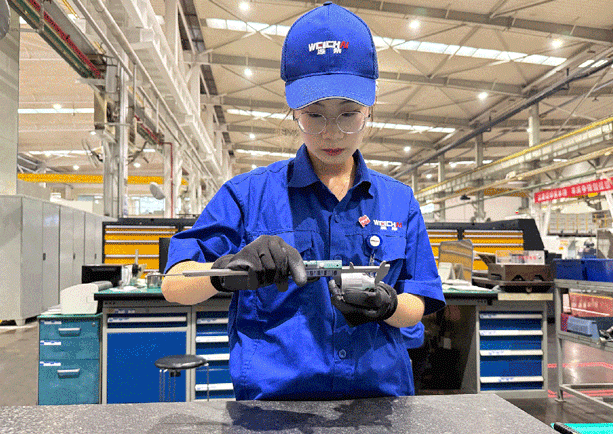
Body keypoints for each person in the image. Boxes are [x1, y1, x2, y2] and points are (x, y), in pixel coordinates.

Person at [162, 2, 445, 401]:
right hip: (275, 409)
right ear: (293, 111)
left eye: (349, 114)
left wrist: (388, 305)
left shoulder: (399, 200)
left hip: (378, 403)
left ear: (369, 110)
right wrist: (223, 272)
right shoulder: (247, 194)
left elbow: (418, 300)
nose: (332, 133)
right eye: (314, 115)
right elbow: (174, 284)